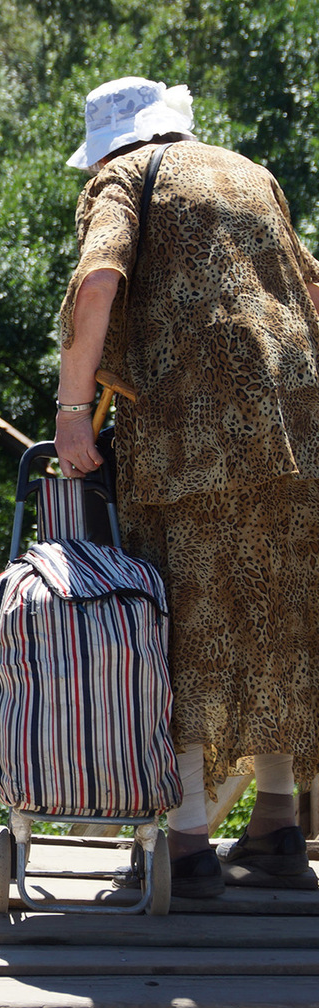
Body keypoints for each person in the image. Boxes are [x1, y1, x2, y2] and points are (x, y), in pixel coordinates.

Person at [54, 76, 319, 899]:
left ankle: (189, 841)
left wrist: (71, 408)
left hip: (189, 438)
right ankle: (278, 831)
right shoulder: (248, 171)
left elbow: (99, 282)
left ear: (110, 142)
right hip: (298, 430)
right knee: (277, 614)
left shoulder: (125, 178)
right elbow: (311, 290)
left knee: (185, 619)